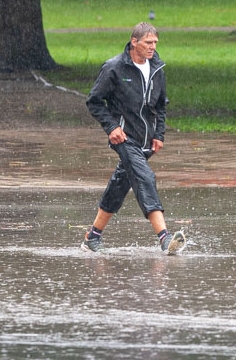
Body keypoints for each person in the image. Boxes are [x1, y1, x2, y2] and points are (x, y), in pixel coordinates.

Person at [80, 22, 186, 255]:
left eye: (155, 42)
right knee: (144, 177)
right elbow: (94, 102)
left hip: (146, 140)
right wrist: (111, 128)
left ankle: (93, 236)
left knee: (120, 183)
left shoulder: (157, 68)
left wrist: (159, 134)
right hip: (123, 138)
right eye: (148, 42)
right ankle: (165, 238)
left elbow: (161, 106)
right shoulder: (114, 68)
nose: (153, 47)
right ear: (134, 41)